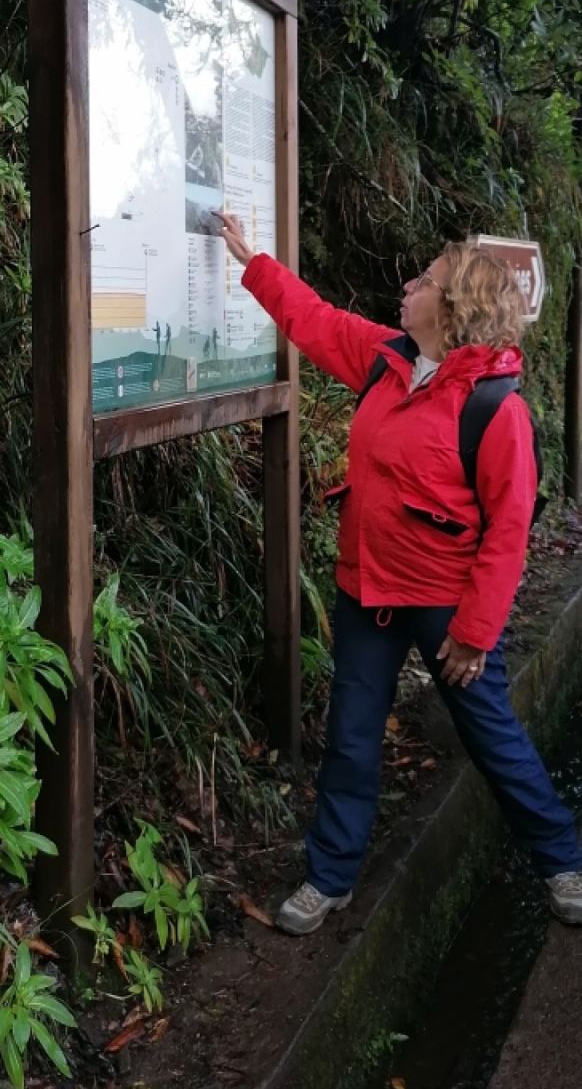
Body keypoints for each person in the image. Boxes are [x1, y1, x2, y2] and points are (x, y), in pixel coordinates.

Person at [214, 210, 582, 932]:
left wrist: (476, 635)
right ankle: (330, 876)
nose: (407, 286)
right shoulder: (385, 360)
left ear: (453, 311)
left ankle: (563, 860)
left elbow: (508, 531)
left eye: (425, 281)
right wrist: (252, 261)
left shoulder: (494, 409)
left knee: (492, 738)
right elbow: (313, 319)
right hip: (368, 592)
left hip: (449, 609)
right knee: (351, 736)